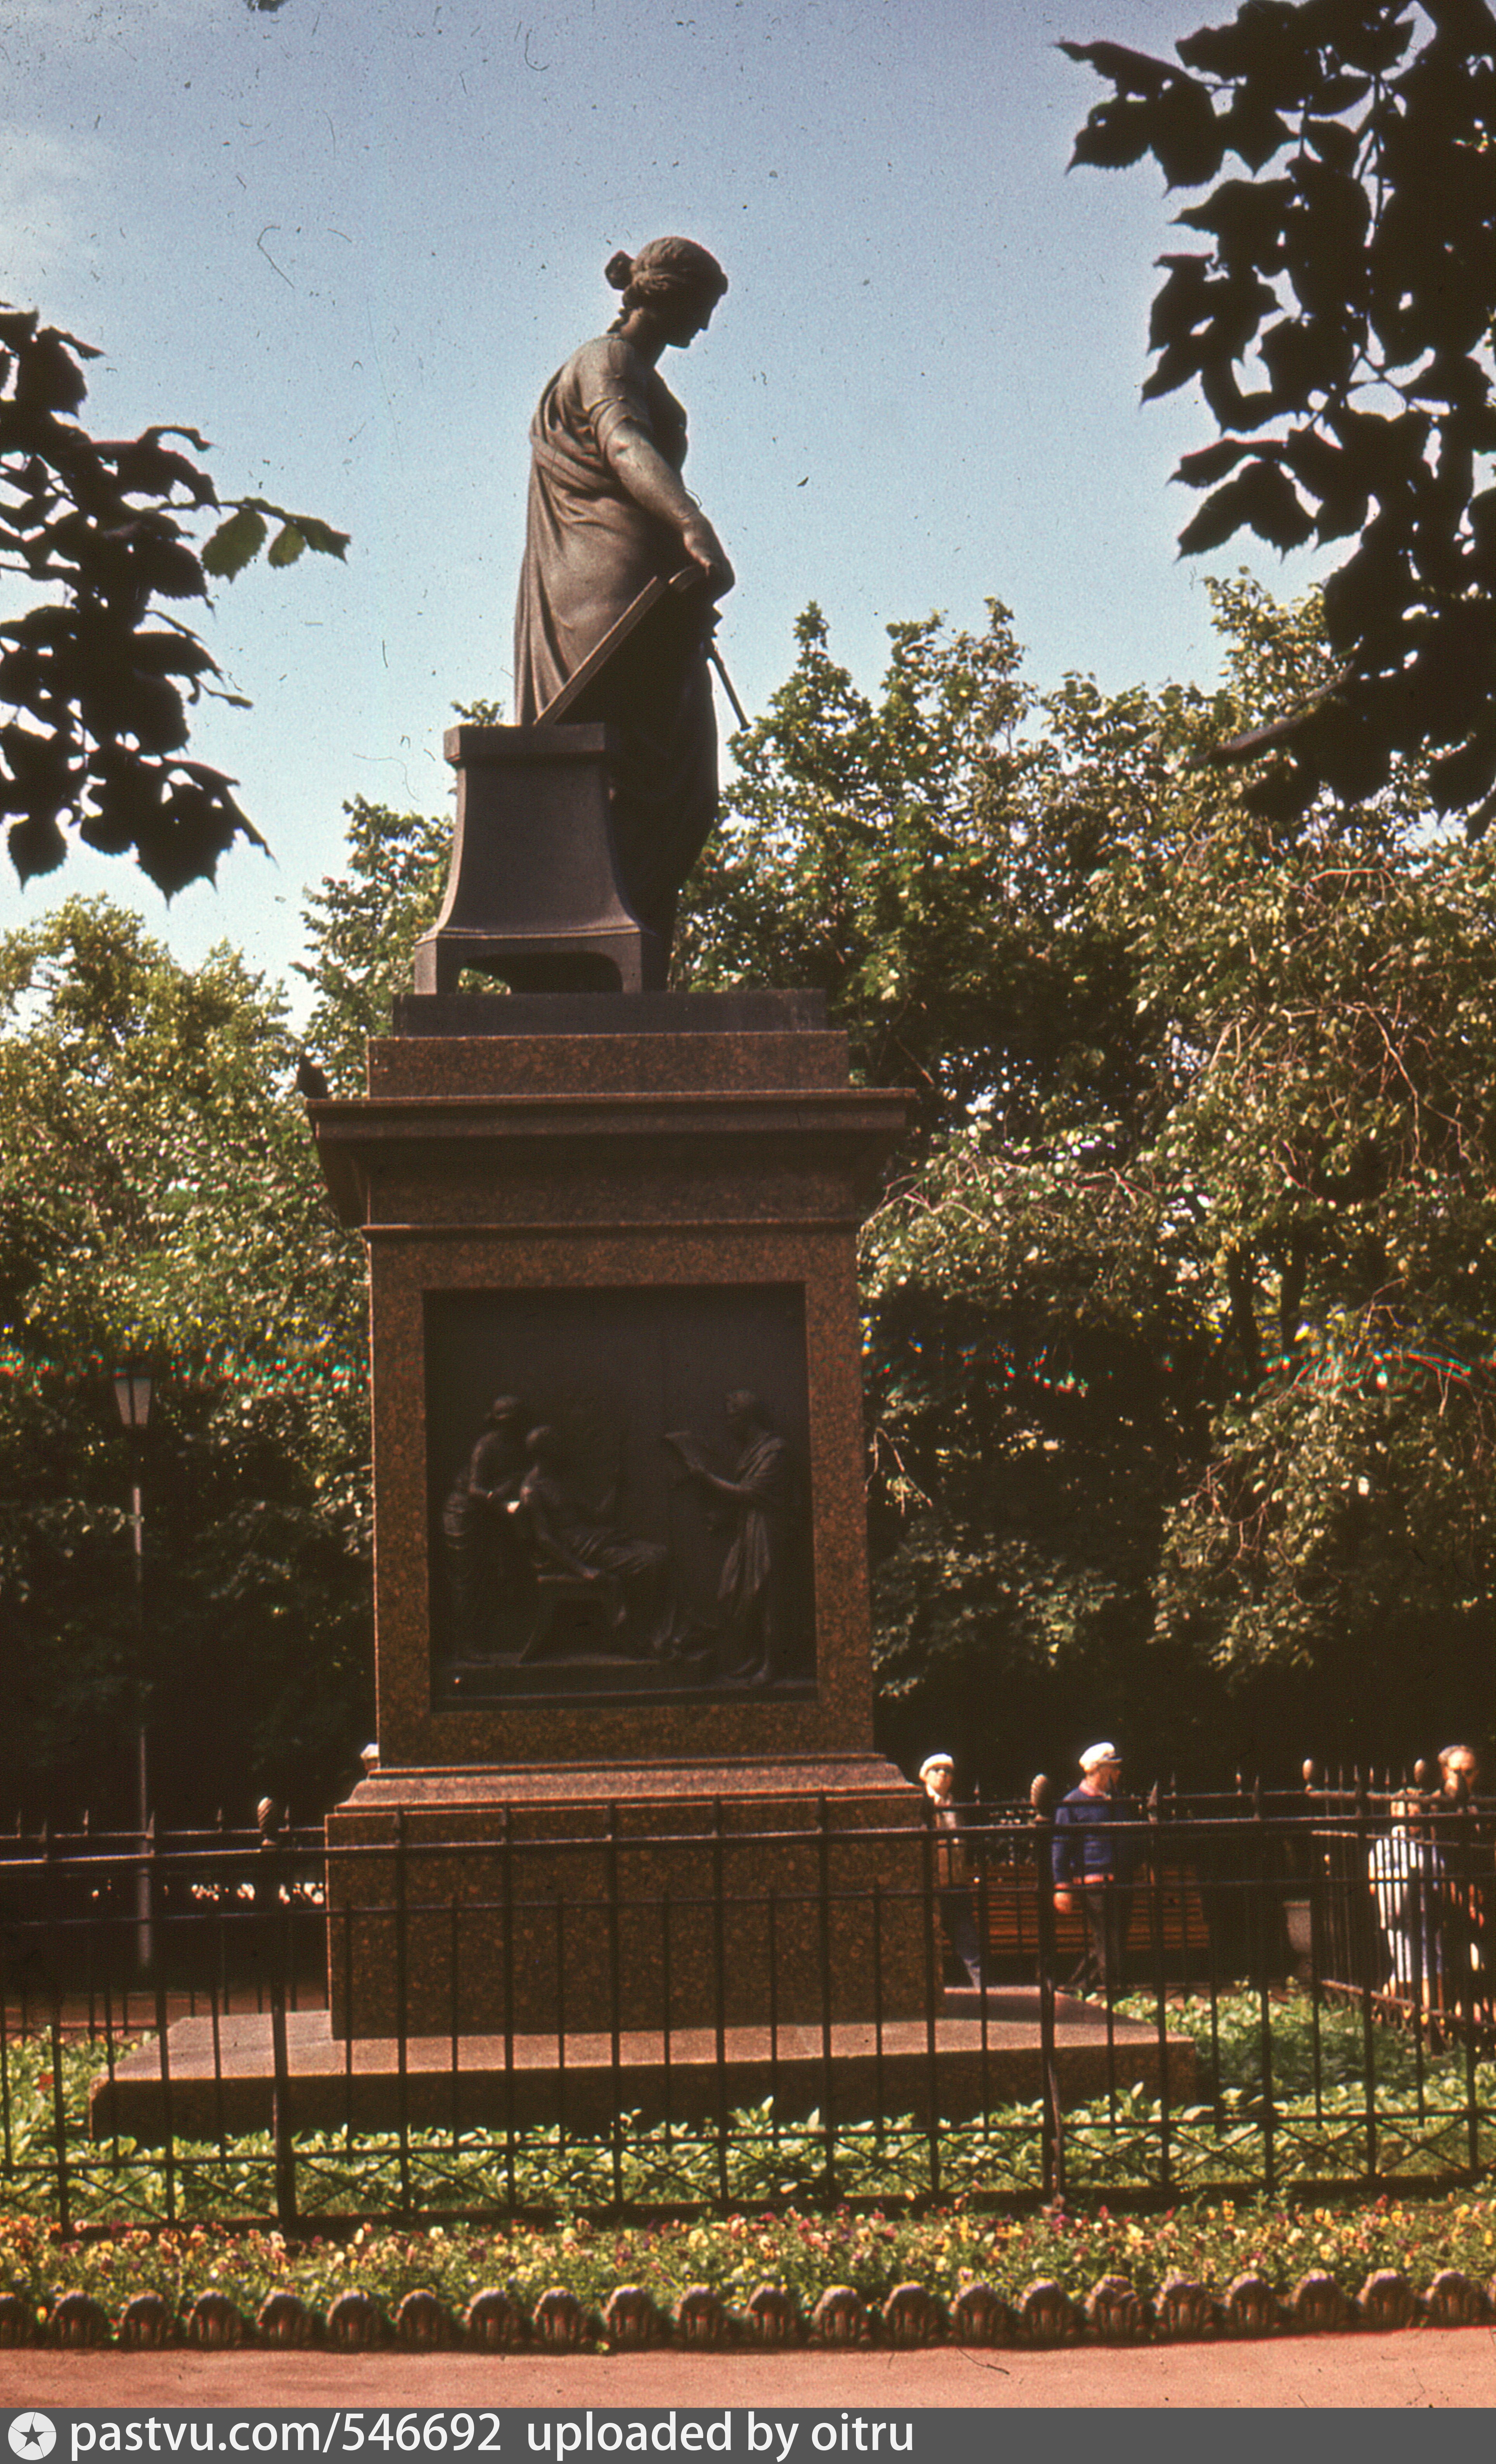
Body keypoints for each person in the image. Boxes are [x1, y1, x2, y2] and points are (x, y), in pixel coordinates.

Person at [513, 237, 734, 980]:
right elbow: (624, 444)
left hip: (650, 588)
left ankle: (631, 957)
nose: (704, 324)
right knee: (623, 769)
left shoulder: (636, 370)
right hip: (606, 593)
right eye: (700, 306)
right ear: (665, 295)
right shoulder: (604, 361)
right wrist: (692, 523)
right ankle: (597, 956)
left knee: (681, 784)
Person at [663, 1392, 796, 1684]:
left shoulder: (775, 1451)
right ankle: (756, 1656)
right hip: (749, 1527)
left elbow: (752, 1493)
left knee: (766, 1597)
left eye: (732, 1416)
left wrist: (705, 1478)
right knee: (737, 1593)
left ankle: (772, 1664)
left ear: (747, 1416)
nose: (728, 1423)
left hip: (768, 1531)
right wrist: (723, 1517)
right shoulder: (751, 1450)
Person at [440, 1394, 531, 1654]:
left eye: (516, 1421)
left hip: (488, 1516)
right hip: (464, 1515)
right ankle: (463, 1641)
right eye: (507, 1421)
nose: (512, 1426)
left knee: (494, 1576)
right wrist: (498, 1498)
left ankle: (493, 1636)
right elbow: (475, 1489)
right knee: (467, 1580)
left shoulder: (518, 1445)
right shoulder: (486, 1446)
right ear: (498, 1421)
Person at [1051, 1743, 1141, 1999]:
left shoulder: (1118, 1801)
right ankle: (1115, 1991)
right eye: (1113, 1768)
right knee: (1108, 1936)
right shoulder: (1072, 1803)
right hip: (1095, 1882)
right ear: (1099, 1771)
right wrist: (1062, 1886)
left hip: (1122, 1879)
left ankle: (1077, 1986)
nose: (1118, 1773)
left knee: (1113, 1937)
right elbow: (1060, 1847)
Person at [919, 1753, 987, 1993]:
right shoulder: (920, 1805)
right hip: (930, 1886)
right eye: (937, 1770)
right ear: (925, 1776)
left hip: (956, 1885)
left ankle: (983, 1992)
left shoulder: (957, 1807)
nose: (943, 1775)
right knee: (926, 1944)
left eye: (948, 1771)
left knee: (969, 1943)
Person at [1368, 1794, 1444, 2005]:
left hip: (1428, 1914)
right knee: (1414, 1970)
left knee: (1427, 1967)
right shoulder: (1387, 1846)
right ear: (1395, 1814)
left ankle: (1383, 2010)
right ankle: (1433, 2018)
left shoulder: (1427, 1843)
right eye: (1407, 1812)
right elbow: (1374, 1883)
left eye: (1417, 1813)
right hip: (1403, 1917)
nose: (1413, 1817)